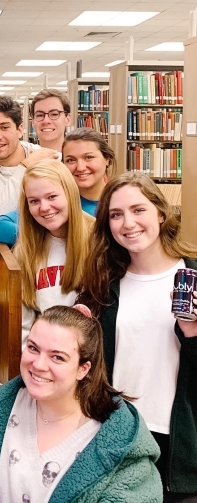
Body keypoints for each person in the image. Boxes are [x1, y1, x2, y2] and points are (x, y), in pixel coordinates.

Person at [0, 305, 162, 503]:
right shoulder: (0, 407)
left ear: (84, 369)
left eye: (57, 357)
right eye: (33, 348)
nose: (38, 364)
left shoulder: (121, 444)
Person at [78, 172, 197, 501]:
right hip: (118, 438)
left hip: (180, 447)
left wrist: (193, 335)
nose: (128, 223)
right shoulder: (102, 286)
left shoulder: (192, 276)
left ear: (160, 212)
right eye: (116, 215)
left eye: (138, 210)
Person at [13, 160, 93, 341]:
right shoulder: (24, 252)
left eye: (52, 197)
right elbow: (24, 326)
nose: (44, 207)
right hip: (46, 355)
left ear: (70, 194)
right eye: (34, 201)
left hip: (92, 355)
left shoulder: (98, 240)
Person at [0, 96, 58, 227]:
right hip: (5, 246)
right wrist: (25, 167)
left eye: (4, 127)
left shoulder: (43, 156)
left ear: (19, 130)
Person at [62, 127, 116, 216]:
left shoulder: (123, 201)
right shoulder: (59, 206)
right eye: (71, 160)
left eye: (88, 157)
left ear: (107, 159)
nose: (80, 168)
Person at [30, 88, 71, 152]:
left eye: (54, 114)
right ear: (33, 122)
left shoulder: (80, 160)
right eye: (40, 115)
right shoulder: (25, 159)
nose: (46, 121)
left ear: (67, 119)